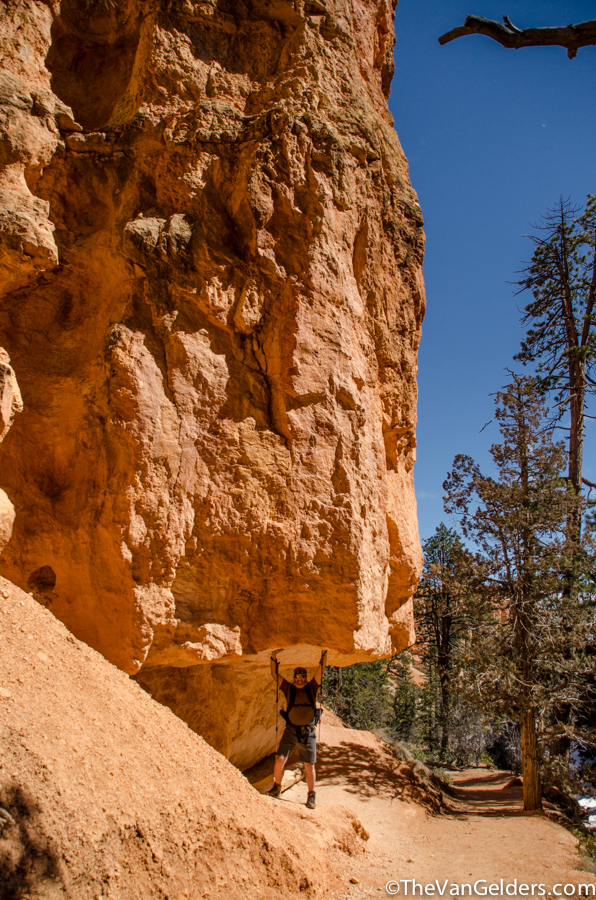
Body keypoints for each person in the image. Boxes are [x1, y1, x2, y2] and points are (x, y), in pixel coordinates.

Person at [267, 649, 327, 809]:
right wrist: (273, 657)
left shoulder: (311, 687)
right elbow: (274, 675)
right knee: (280, 759)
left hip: (308, 732)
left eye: (302, 677)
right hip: (291, 731)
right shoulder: (289, 689)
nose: (299, 680)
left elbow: (321, 671)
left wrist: (324, 655)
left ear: (305, 678)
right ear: (294, 678)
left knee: (309, 765)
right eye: (297, 677)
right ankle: (276, 787)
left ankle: (311, 795)